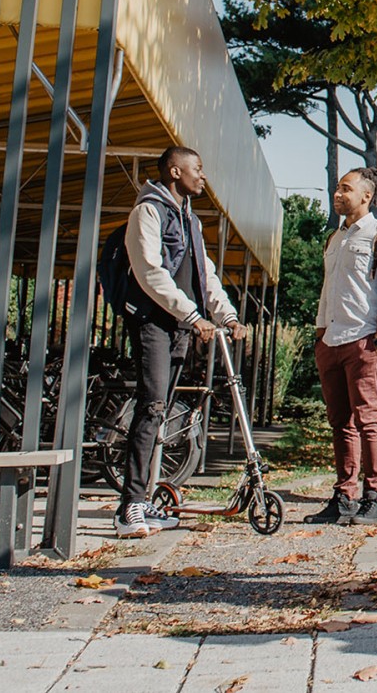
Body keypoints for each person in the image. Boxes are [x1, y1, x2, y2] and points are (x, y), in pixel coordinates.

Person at [118, 146, 247, 538]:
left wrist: (226, 315)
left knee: (162, 413)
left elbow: (205, 275)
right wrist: (192, 316)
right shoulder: (149, 211)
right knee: (152, 405)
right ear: (175, 172)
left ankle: (147, 501)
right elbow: (149, 271)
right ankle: (129, 509)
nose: (203, 177)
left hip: (179, 327)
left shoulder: (189, 218)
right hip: (153, 321)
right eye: (198, 169)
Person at [305, 167, 377, 525]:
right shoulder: (334, 240)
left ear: (366, 196)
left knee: (368, 419)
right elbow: (327, 291)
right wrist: (320, 335)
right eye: (337, 187)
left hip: (366, 341)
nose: (338, 193)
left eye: (345, 189)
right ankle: (344, 497)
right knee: (340, 423)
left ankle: (375, 497)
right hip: (331, 341)